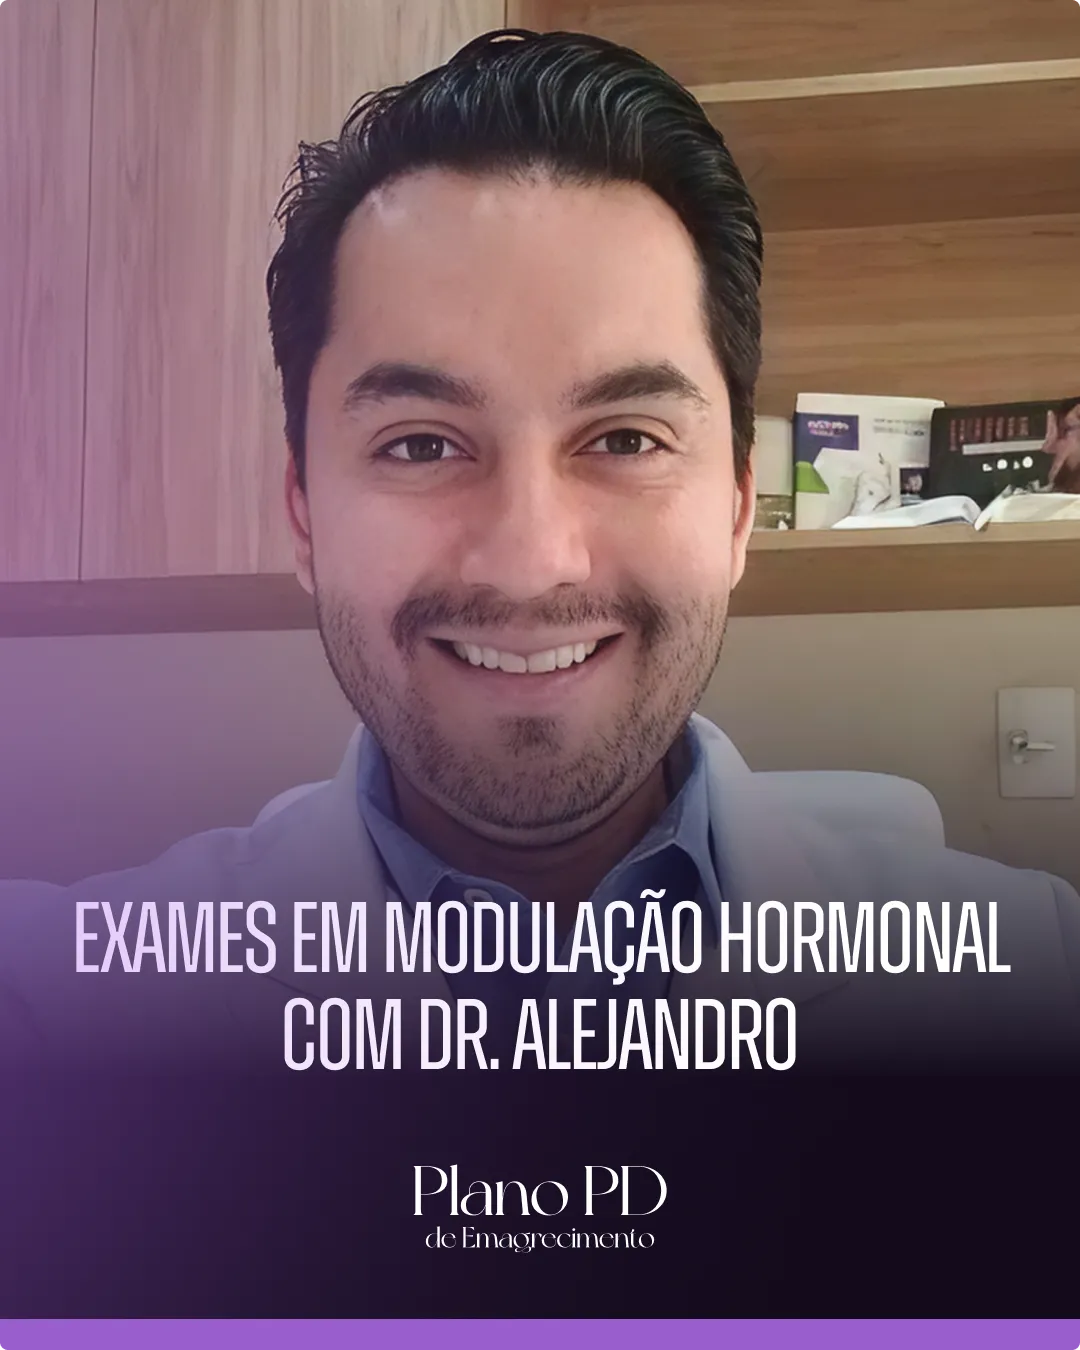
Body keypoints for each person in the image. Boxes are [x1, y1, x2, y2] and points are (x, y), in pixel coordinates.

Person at [1, 28, 1078, 1073]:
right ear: (304, 515)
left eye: (626, 440)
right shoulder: (62, 1019)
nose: (528, 563)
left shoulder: (1035, 985)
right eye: (421, 444)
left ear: (739, 507)